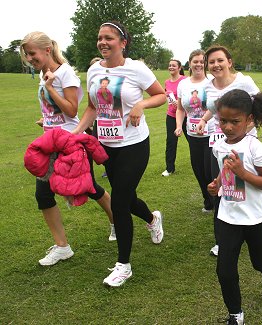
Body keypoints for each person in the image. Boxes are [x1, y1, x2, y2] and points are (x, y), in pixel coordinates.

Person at [72, 21, 167, 287]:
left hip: (134, 144)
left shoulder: (136, 68)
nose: (103, 42)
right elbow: (92, 107)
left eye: (109, 38)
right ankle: (152, 218)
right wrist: (77, 132)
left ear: (122, 42)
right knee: (127, 197)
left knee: (119, 202)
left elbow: (161, 95)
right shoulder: (93, 70)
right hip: (106, 145)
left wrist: (141, 103)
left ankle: (123, 265)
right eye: (100, 38)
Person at [20, 31, 115, 266]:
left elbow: (72, 111)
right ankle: (63, 247)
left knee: (90, 188)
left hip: (71, 144)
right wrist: (47, 120)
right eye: (27, 54)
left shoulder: (64, 73)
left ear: (47, 50)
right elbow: (55, 111)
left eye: (32, 53)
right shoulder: (45, 75)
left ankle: (118, 223)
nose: (30, 58)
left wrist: (51, 89)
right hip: (49, 143)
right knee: (43, 195)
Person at [207, 89, 262, 325]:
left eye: (234, 122)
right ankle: (235, 315)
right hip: (227, 217)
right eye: (223, 121)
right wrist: (217, 184)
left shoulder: (254, 148)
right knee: (225, 271)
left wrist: (243, 173)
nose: (228, 127)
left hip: (255, 219)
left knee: (258, 260)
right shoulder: (219, 145)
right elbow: (223, 168)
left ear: (249, 120)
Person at [196, 45, 260, 257]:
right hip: (220, 144)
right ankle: (222, 239)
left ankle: (255, 222)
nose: (215, 65)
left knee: (243, 186)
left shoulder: (244, 82)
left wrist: (242, 132)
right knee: (220, 187)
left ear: (229, 62)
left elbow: (260, 109)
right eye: (211, 62)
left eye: (220, 60)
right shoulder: (209, 85)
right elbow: (214, 107)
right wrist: (204, 121)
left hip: (245, 143)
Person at [175, 49, 214, 213]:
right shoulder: (183, 83)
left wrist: (204, 121)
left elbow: (217, 106)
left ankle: (217, 200)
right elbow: (179, 109)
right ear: (189, 63)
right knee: (198, 169)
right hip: (192, 134)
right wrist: (178, 126)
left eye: (201, 61)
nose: (198, 64)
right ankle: (208, 201)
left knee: (209, 169)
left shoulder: (212, 81)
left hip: (211, 133)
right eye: (195, 61)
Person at [162, 59, 187, 176]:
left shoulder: (184, 80)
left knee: (193, 141)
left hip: (185, 115)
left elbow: (189, 95)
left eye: (174, 66)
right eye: (170, 65)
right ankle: (169, 168)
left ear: (179, 67)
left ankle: (200, 163)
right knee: (171, 142)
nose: (171, 67)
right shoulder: (167, 82)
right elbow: (167, 96)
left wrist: (180, 102)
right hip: (171, 115)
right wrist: (172, 101)